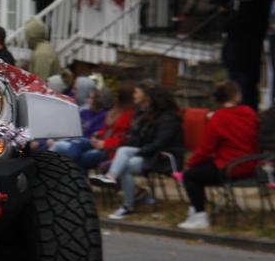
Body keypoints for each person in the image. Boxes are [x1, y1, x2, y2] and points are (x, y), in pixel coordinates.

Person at [92, 80, 183, 219]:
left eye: (136, 92)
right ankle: (116, 186)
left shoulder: (168, 117)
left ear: (147, 96)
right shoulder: (143, 113)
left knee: (124, 161)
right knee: (124, 156)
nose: (134, 95)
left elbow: (159, 144)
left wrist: (138, 150)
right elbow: (135, 140)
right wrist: (133, 137)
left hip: (162, 157)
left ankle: (127, 204)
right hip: (147, 154)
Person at [177, 81, 259, 230]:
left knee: (190, 176)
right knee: (201, 168)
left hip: (230, 167)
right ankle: (194, 211)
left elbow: (205, 149)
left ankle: (200, 215)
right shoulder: (249, 112)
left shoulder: (218, 118)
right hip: (251, 165)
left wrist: (190, 164)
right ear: (236, 96)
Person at [220, 0, 270, 111]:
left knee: (241, 92)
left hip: (240, 58)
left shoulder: (248, 9)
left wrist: (225, 14)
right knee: (247, 91)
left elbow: (228, 26)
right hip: (246, 58)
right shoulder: (260, 7)